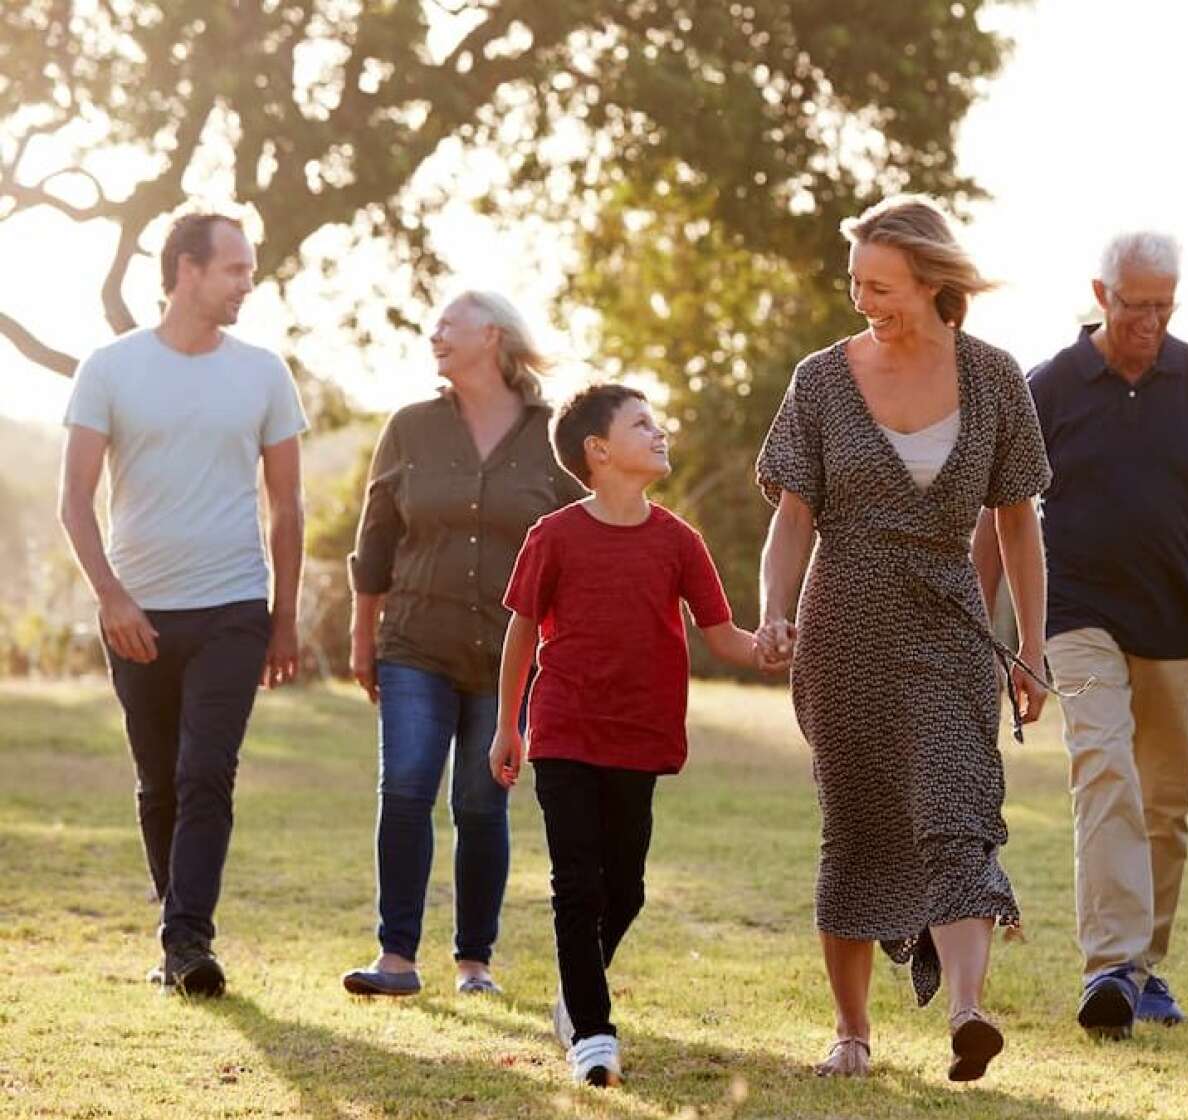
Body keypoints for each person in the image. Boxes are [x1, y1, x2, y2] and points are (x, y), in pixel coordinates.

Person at [972, 231, 1188, 1039]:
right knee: (1104, 773)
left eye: (1164, 307)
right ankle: (1108, 966)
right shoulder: (1049, 389)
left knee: (1167, 806)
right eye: (1136, 306)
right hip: (1076, 615)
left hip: (1174, 622)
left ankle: (1140, 972)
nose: (1150, 322)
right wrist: (987, 631)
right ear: (1102, 296)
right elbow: (1002, 516)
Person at [755, 195, 1051, 1082]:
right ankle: (852, 1032)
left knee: (959, 808)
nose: (864, 302)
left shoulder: (995, 377)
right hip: (842, 626)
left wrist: (1030, 648)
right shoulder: (820, 380)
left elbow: (1018, 523)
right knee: (858, 827)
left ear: (931, 282)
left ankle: (967, 1012)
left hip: (950, 629)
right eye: (856, 285)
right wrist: (775, 607)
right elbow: (792, 515)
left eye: (880, 285)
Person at [57, 210, 307, 997]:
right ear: (187, 271)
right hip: (138, 614)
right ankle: (178, 938)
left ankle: (189, 942)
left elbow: (289, 507)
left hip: (234, 604)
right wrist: (112, 598)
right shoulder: (110, 368)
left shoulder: (265, 371)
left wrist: (285, 616)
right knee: (160, 781)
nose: (248, 282)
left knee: (207, 772)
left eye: (250, 269)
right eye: (235, 268)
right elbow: (73, 498)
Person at [489, 382, 765, 1087]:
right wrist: (507, 727)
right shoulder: (552, 536)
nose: (659, 432)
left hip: (639, 734)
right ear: (599, 450)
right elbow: (522, 629)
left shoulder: (678, 541)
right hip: (563, 732)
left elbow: (725, 636)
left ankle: (572, 994)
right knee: (576, 885)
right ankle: (592, 1032)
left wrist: (776, 646)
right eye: (642, 424)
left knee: (628, 888)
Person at [340, 292, 585, 997]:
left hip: (513, 655)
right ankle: (396, 958)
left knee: (482, 802)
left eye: (450, 323)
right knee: (408, 787)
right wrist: (364, 636)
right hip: (415, 639)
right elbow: (376, 539)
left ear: (495, 336)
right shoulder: (410, 429)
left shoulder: (553, 433)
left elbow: (581, 540)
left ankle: (474, 963)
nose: (435, 333)